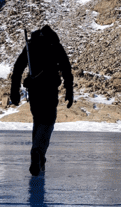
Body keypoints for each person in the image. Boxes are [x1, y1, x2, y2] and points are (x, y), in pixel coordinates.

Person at [9, 25, 74, 176]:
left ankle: (39, 157)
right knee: (48, 121)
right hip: (49, 89)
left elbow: (18, 67)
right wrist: (69, 91)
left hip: (34, 90)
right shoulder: (54, 45)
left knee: (38, 121)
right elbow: (66, 68)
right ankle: (37, 152)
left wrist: (14, 92)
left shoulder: (31, 45)